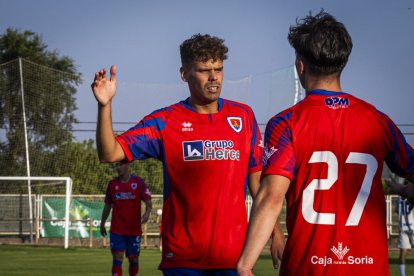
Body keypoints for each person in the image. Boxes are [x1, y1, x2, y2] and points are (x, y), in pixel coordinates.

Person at [237, 11, 414, 275]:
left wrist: (245, 265)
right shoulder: (378, 121)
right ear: (342, 62)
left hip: (309, 268)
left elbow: (272, 195)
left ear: (300, 64)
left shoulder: (288, 123)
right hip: (370, 269)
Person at [91, 34, 269, 275]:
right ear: (184, 74)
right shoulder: (165, 122)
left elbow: (258, 186)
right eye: (205, 70)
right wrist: (105, 106)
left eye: (219, 68)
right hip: (183, 258)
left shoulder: (244, 117)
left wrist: (275, 234)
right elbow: (110, 153)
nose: (214, 76)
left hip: (235, 258)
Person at [100, 162, 152, 276]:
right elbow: (107, 205)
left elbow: (148, 201)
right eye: (116, 166)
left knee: (133, 259)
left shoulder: (139, 182)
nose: (118, 168)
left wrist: (147, 212)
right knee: (117, 256)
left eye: (120, 165)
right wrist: (102, 222)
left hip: (133, 229)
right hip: (117, 229)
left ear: (127, 165)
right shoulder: (112, 184)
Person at [392, 177, 414, 276]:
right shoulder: (411, 195)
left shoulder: (398, 199)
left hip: (403, 228)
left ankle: (402, 274)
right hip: (412, 227)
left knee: (403, 253)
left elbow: (396, 211)